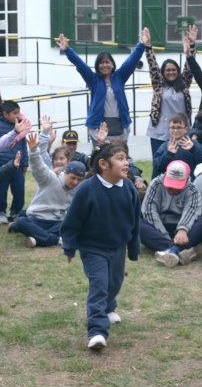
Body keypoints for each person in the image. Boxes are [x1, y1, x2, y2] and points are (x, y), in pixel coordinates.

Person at [61, 141, 141, 350]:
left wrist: (133, 249)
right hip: (93, 248)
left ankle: (108, 307)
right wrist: (69, 246)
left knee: (114, 283)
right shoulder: (87, 188)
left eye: (126, 159)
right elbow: (72, 220)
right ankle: (97, 331)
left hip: (117, 247)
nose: (126, 164)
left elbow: (134, 221)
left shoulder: (129, 188)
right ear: (104, 164)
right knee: (99, 285)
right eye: (120, 159)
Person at [59, 31, 144, 145]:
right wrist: (67, 50)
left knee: (120, 158)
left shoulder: (120, 77)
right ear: (97, 66)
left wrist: (142, 44)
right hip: (98, 129)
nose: (105, 65)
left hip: (119, 127)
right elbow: (80, 65)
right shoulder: (93, 80)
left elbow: (132, 61)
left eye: (107, 62)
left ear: (112, 64)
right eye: (101, 63)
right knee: (100, 159)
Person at [15, 134, 86, 248]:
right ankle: (54, 239)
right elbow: (38, 167)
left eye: (79, 180)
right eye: (73, 178)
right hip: (38, 219)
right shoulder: (52, 177)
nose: (75, 182)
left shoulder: (78, 189)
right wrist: (33, 150)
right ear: (66, 173)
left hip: (57, 222)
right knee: (21, 221)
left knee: (77, 226)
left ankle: (38, 239)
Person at [141, 161, 202, 269]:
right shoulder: (156, 183)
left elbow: (191, 211)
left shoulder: (193, 190)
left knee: (201, 225)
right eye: (170, 185)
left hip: (182, 229)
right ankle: (177, 250)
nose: (173, 189)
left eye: (178, 186)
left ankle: (168, 251)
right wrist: (164, 235)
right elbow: (149, 210)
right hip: (159, 227)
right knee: (138, 225)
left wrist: (182, 230)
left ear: (186, 180)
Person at [143, 27, 194, 155]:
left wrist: (192, 45)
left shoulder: (184, 84)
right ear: (163, 73)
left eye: (173, 70)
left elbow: (190, 66)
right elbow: (152, 66)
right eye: (167, 70)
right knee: (159, 162)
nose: (171, 72)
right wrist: (148, 46)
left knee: (183, 161)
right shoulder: (158, 85)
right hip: (160, 132)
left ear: (178, 71)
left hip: (182, 131)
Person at [152, 113, 202, 179]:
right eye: (172, 127)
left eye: (179, 128)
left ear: (186, 129)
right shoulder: (165, 146)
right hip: (170, 183)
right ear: (169, 129)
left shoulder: (193, 145)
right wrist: (169, 153)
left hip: (189, 183)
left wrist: (194, 149)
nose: (175, 130)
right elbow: (157, 167)